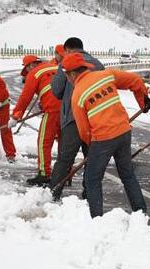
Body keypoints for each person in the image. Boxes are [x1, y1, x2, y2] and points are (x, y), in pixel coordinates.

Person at [62, 52, 150, 218]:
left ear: (73, 74)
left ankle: (97, 219)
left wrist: (93, 147)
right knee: (127, 174)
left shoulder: (77, 95)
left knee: (92, 180)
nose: (67, 79)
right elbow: (135, 81)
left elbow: (84, 131)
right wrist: (143, 100)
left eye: (66, 75)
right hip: (124, 131)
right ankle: (141, 214)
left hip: (103, 139)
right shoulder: (106, 74)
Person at [49, 37, 105, 199]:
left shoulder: (67, 63)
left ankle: (54, 193)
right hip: (95, 117)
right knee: (92, 158)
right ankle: (90, 193)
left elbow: (56, 90)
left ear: (67, 50)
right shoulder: (98, 64)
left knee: (65, 158)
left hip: (73, 118)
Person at [8, 55, 61, 186]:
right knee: (64, 142)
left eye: (26, 69)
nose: (27, 73)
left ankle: (44, 174)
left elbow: (25, 97)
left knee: (44, 142)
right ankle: (65, 173)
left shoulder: (34, 73)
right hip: (69, 110)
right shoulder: (57, 67)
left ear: (31, 66)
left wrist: (15, 116)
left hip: (53, 111)